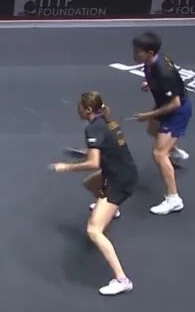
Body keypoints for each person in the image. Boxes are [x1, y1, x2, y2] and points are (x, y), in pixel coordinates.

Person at [50, 92, 136, 296]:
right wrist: (86, 152)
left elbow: (93, 163)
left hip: (118, 181)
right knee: (90, 184)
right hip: (124, 172)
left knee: (93, 230)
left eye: (80, 107)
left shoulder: (93, 128)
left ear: (88, 110)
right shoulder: (109, 121)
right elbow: (107, 148)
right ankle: (111, 210)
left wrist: (66, 167)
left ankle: (122, 280)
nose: (77, 110)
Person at [129, 32, 191, 215]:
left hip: (177, 112)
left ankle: (174, 199)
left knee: (159, 153)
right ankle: (174, 150)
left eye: (137, 52)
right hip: (165, 104)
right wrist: (150, 83)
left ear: (149, 52)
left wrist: (148, 114)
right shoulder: (155, 60)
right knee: (152, 130)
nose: (134, 54)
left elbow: (175, 104)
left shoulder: (164, 73)